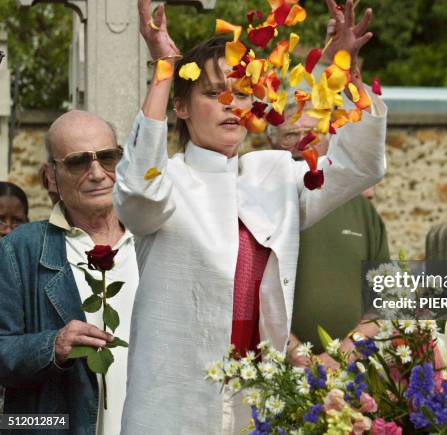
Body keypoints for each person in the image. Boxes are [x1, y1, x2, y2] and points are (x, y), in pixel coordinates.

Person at [113, 0, 386, 433]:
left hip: (258, 396)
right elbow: (137, 194)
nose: (230, 103)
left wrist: (345, 75)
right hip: (176, 399)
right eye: (212, 92)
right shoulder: (166, 180)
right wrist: (165, 67)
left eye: (241, 93)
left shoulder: (273, 173)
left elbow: (361, 167)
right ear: (180, 107)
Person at [0, 111, 138, 435]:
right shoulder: (21, 249)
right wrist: (53, 346)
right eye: (78, 162)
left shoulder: (153, 243)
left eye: (107, 158)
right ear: (50, 177)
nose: (97, 173)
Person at [267, 106, 389, 368]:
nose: (303, 141)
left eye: (312, 132)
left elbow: (384, 299)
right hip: (280, 372)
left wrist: (344, 353)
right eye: (290, 134)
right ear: (272, 143)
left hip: (355, 370)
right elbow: (249, 293)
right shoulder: (259, 206)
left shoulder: (362, 209)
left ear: (331, 139)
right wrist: (297, 354)